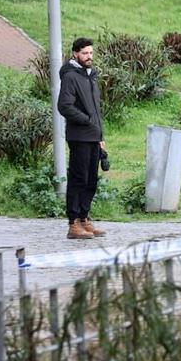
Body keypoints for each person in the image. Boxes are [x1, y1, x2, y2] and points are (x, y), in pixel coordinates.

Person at [57, 37, 107, 240]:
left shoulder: (90, 76)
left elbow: (96, 109)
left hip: (93, 136)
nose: (89, 57)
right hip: (79, 136)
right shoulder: (71, 76)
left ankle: (84, 218)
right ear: (75, 53)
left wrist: (100, 135)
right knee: (78, 179)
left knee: (91, 180)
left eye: (91, 53)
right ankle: (73, 223)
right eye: (85, 53)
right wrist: (86, 121)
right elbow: (64, 106)